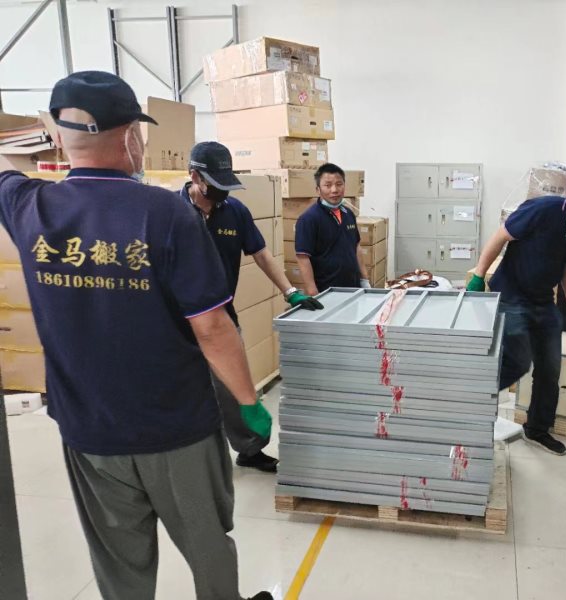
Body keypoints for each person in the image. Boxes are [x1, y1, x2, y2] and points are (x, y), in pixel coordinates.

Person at [0, 71, 273, 600]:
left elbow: (6, 171)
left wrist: (47, 139)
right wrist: (247, 401)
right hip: (175, 427)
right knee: (207, 543)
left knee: (118, 562)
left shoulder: (28, 207)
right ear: (131, 136)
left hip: (89, 430)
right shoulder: (166, 213)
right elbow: (212, 327)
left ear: (56, 134)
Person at [180, 141, 322, 472]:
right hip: (177, 324)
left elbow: (261, 254)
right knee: (183, 392)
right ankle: (190, 456)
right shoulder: (170, 211)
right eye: (215, 185)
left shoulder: (235, 211)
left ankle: (249, 449)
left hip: (222, 318)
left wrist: (290, 292)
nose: (223, 192)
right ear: (194, 177)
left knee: (234, 388)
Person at [466, 195, 566, 455]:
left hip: (543, 301)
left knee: (550, 369)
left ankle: (536, 429)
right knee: (517, 363)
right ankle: (471, 405)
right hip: (512, 295)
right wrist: (478, 275)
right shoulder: (544, 210)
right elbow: (500, 237)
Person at [295, 163, 370, 295]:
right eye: (328, 185)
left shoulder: (348, 214)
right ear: (318, 189)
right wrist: (313, 293)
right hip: (326, 291)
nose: (334, 190)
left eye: (339, 184)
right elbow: (302, 257)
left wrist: (364, 280)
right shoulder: (309, 219)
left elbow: (356, 246)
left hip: (353, 288)